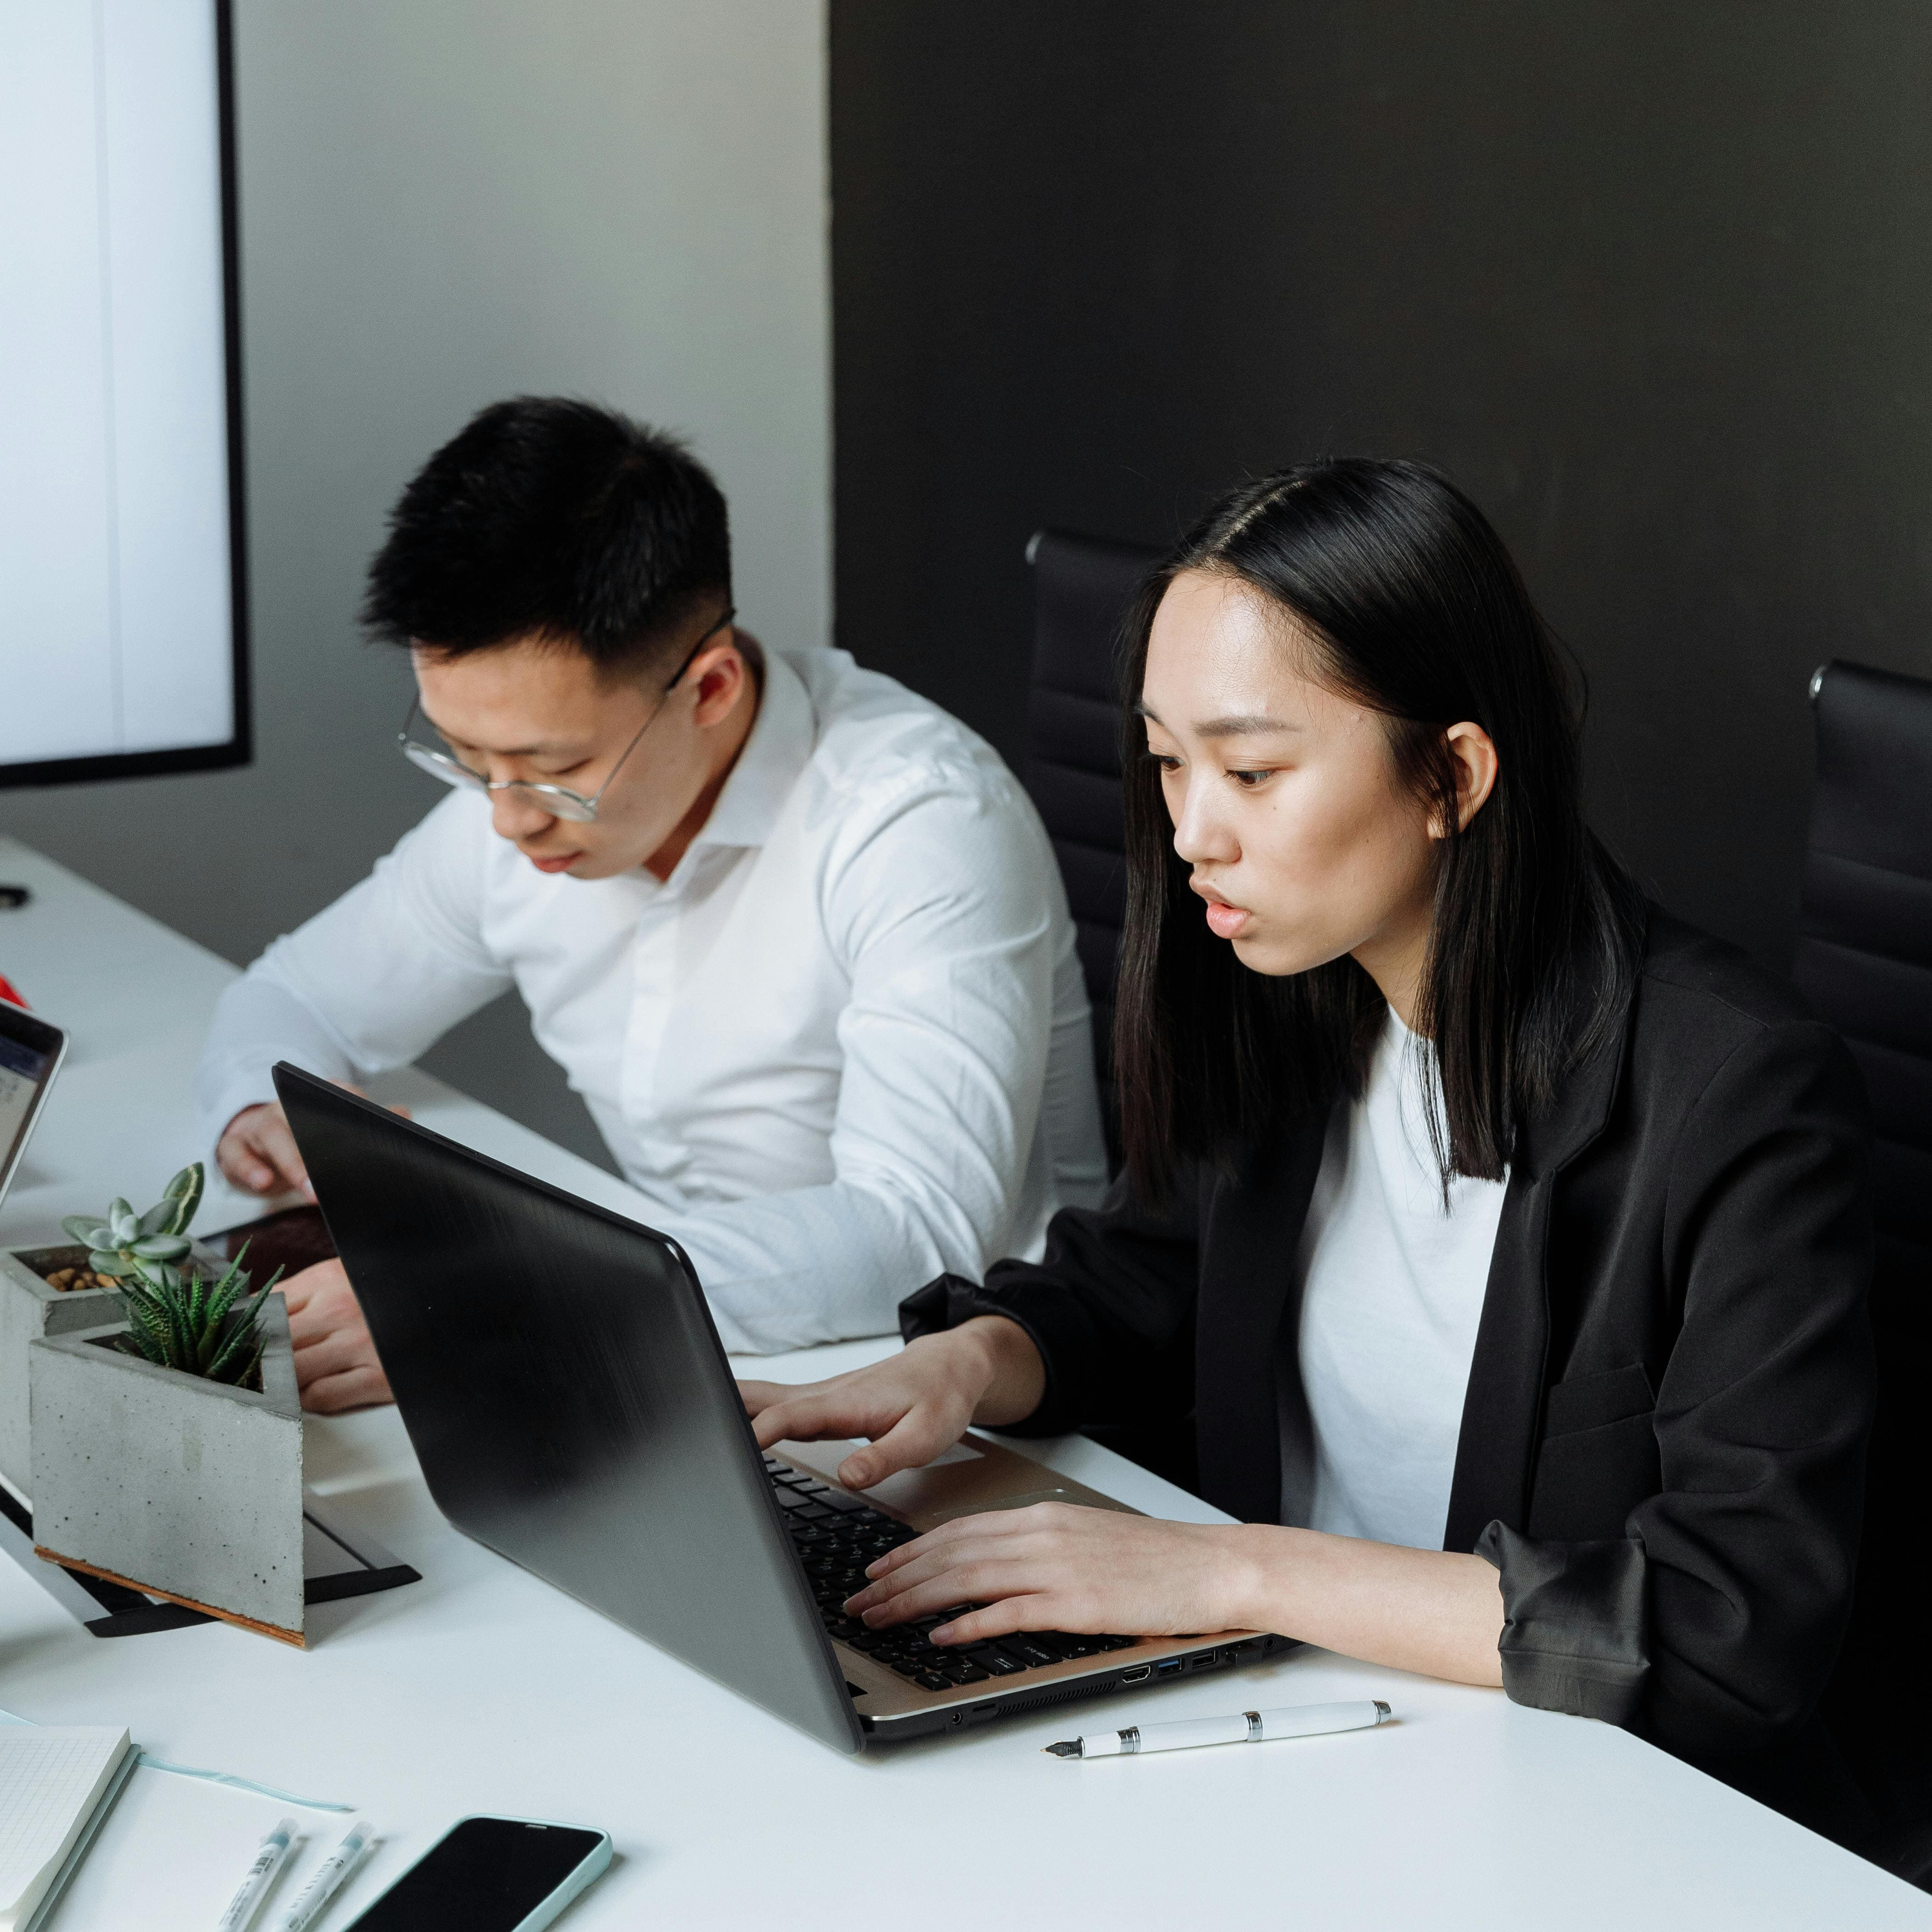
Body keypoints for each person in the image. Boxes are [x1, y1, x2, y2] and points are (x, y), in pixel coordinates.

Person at [743, 459, 1875, 1832]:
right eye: (1167, 763)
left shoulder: (1733, 1095)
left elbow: (1724, 1627)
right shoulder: (1296, 993)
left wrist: (1228, 1573)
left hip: (1572, 1807)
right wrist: (976, 1356)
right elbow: (1156, 1270)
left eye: (1252, 771)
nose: (1188, 835)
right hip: (1286, 1739)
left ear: (1450, 776)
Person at [196, 398, 1106, 1403]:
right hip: (665, 1342)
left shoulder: (918, 820)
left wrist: (499, 1287)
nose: (505, 821)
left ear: (709, 688)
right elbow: (296, 999)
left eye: (554, 768)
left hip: (951, 1387)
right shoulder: (516, 796)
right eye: (463, 758)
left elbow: (912, 1235)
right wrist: (259, 1101)